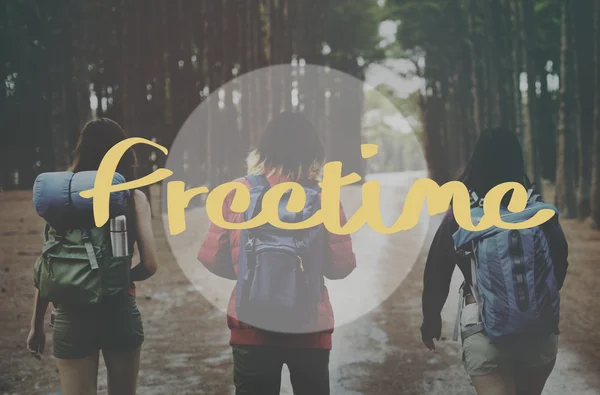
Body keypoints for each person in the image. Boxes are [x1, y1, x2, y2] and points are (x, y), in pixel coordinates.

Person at [198, 112, 356, 395]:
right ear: (315, 154)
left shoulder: (238, 192)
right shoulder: (324, 197)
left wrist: (250, 271)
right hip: (309, 325)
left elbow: (212, 257)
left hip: (251, 324)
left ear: (263, 151)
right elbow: (341, 266)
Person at [421, 128, 569, 395]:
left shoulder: (461, 215)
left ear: (476, 162)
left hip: (483, 330)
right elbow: (559, 266)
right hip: (538, 332)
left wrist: (430, 319)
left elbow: (437, 271)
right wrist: (529, 302)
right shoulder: (539, 213)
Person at [26, 118, 159, 395]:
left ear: (81, 150)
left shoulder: (59, 201)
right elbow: (149, 265)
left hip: (70, 316)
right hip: (119, 310)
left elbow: (48, 268)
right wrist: (113, 277)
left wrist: (36, 326)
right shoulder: (133, 197)